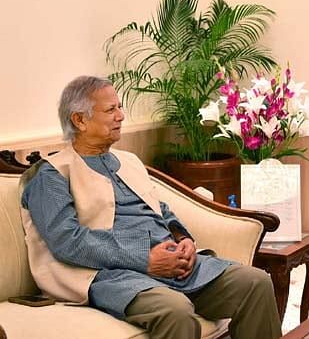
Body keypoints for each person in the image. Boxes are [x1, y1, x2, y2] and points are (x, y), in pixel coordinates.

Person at [20, 76, 282, 339]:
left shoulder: (129, 161)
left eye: (119, 107)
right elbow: (68, 242)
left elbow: (161, 210)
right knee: (176, 311)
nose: (121, 116)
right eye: (111, 110)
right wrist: (145, 259)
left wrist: (185, 239)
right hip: (112, 276)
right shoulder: (50, 175)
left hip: (173, 266)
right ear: (80, 120)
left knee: (255, 283)